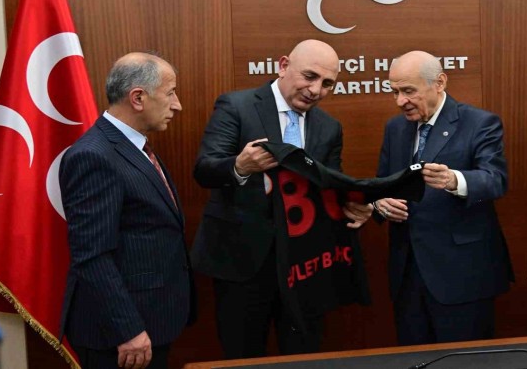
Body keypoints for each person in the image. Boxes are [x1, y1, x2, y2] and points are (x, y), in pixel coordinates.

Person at [190, 39, 373, 358]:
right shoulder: (237, 106)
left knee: (303, 355)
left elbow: (331, 185)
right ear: (283, 65)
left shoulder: (329, 127)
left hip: (305, 264)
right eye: (310, 76)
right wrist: (239, 166)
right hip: (244, 262)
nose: (316, 90)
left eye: (327, 83)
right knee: (242, 357)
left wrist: (354, 204)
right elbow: (205, 170)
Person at [59, 52, 193, 369]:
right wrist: (128, 329)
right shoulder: (94, 156)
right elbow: (92, 255)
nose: (177, 105)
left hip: (151, 318)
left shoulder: (133, 146)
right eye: (170, 93)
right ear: (138, 98)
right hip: (120, 335)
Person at [372, 50, 513, 345]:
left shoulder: (480, 123)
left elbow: (495, 180)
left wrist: (454, 180)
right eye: (394, 92)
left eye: (408, 91)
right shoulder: (395, 128)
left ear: (439, 83)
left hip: (462, 274)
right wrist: (379, 203)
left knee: (464, 361)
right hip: (408, 275)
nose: (400, 101)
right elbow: (382, 185)